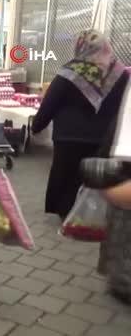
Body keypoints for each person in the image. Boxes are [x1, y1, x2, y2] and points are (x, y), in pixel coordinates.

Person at [31, 29, 128, 219]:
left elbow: (51, 103)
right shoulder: (120, 74)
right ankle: (92, 215)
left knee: (66, 177)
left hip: (68, 138)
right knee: (95, 178)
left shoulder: (69, 73)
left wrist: (37, 126)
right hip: (103, 139)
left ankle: (67, 215)